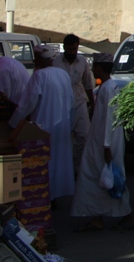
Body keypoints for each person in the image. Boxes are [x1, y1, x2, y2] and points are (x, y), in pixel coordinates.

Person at [71, 54, 134, 232]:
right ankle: (97, 217)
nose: (92, 70)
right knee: (98, 179)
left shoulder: (109, 89)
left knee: (111, 179)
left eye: (95, 68)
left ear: (99, 68)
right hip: (99, 141)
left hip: (104, 143)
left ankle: (125, 214)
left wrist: (107, 146)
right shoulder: (107, 87)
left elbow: (110, 118)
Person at [9, 45, 75, 202]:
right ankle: (55, 195)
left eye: (36, 58)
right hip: (62, 125)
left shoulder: (39, 75)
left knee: (46, 161)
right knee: (59, 159)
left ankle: (47, 196)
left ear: (41, 59)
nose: (34, 61)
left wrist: (13, 123)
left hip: (43, 124)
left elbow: (28, 103)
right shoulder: (63, 74)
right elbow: (71, 100)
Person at [52, 33, 95, 174]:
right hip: (61, 105)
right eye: (69, 49)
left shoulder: (82, 62)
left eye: (74, 49)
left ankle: (79, 170)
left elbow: (88, 84)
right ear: (64, 48)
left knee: (83, 136)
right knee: (64, 139)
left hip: (79, 102)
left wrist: (92, 103)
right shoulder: (56, 62)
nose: (71, 52)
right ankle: (65, 170)